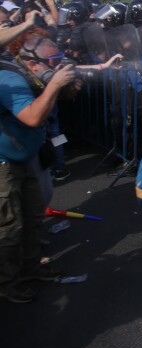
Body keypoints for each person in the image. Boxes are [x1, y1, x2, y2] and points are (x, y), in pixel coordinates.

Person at [0, 37, 76, 303]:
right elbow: (33, 117)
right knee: (8, 227)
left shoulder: (25, 75)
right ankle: (7, 283)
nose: (57, 67)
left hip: (23, 158)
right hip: (4, 165)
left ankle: (31, 266)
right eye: (53, 63)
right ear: (32, 63)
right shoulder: (9, 80)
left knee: (33, 216)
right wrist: (54, 84)